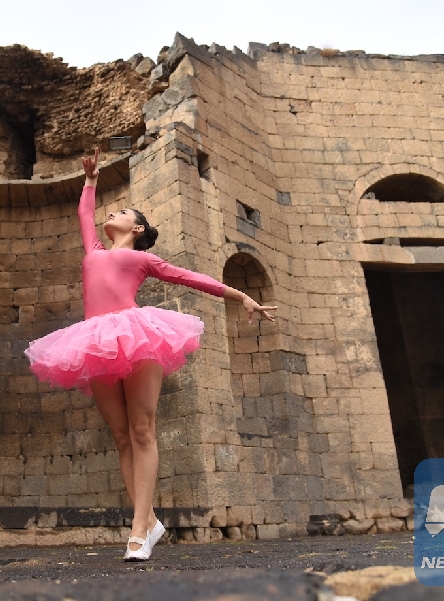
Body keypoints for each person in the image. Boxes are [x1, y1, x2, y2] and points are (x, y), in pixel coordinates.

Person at [25, 147, 277, 561]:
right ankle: (150, 520)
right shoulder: (95, 252)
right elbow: (85, 215)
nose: (113, 213)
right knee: (121, 436)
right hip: (94, 342)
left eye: (123, 211)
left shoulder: (143, 258)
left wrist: (241, 296)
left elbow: (191, 278)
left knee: (142, 430)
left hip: (136, 335)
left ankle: (139, 530)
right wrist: (90, 181)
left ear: (137, 227)